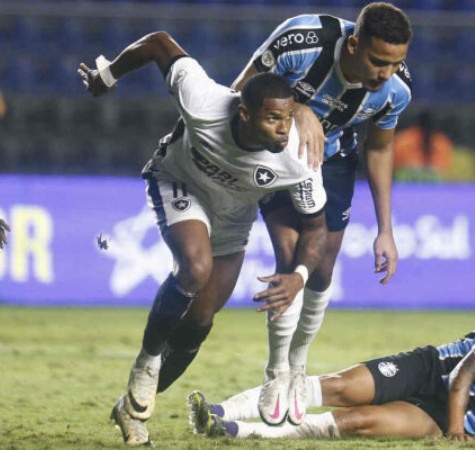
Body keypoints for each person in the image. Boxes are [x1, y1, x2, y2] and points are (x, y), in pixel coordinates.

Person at [78, 31, 328, 446]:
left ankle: (132, 407)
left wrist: (300, 274)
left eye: (287, 118)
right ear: (244, 114)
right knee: (195, 269)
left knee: (200, 319)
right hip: (178, 183)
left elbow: (316, 228)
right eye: (273, 119)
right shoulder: (204, 101)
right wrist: (108, 73)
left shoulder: (299, 158)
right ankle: (147, 361)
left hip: (233, 216)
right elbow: (159, 43)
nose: (284, 130)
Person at [230, 2, 413, 425]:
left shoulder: (397, 89)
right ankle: (276, 371)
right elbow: (242, 90)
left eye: (396, 63)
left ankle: (298, 366)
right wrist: (299, 109)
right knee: (291, 253)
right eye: (377, 60)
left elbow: (381, 148)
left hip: (332, 162)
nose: (385, 72)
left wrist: (386, 229)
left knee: (322, 271)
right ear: (353, 44)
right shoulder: (301, 40)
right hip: (275, 155)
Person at [187, 306, 475, 444]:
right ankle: (220, 408)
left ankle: (236, 432)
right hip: (435, 370)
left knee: (360, 423)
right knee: (342, 389)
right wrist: (456, 432)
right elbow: (463, 377)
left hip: (459, 416)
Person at [393, 110, 453, 181]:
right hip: (406, 182)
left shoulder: (441, 142)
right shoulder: (404, 140)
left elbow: (443, 169)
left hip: (434, 183)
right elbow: (395, 166)